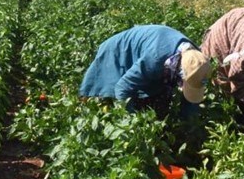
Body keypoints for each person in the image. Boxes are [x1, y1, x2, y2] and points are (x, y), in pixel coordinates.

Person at [79, 24, 211, 119]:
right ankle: (83, 108)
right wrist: (131, 119)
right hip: (118, 51)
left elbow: (193, 90)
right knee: (108, 90)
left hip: (153, 48)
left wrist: (189, 120)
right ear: (180, 74)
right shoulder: (155, 59)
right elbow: (122, 87)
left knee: (158, 99)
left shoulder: (197, 60)